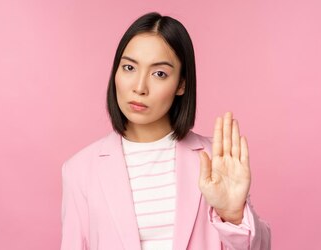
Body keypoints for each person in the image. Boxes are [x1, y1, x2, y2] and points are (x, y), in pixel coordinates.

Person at [61, 12, 271, 250]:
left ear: (181, 84)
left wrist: (233, 215)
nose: (139, 87)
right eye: (129, 67)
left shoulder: (216, 160)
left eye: (159, 73)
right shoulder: (79, 170)